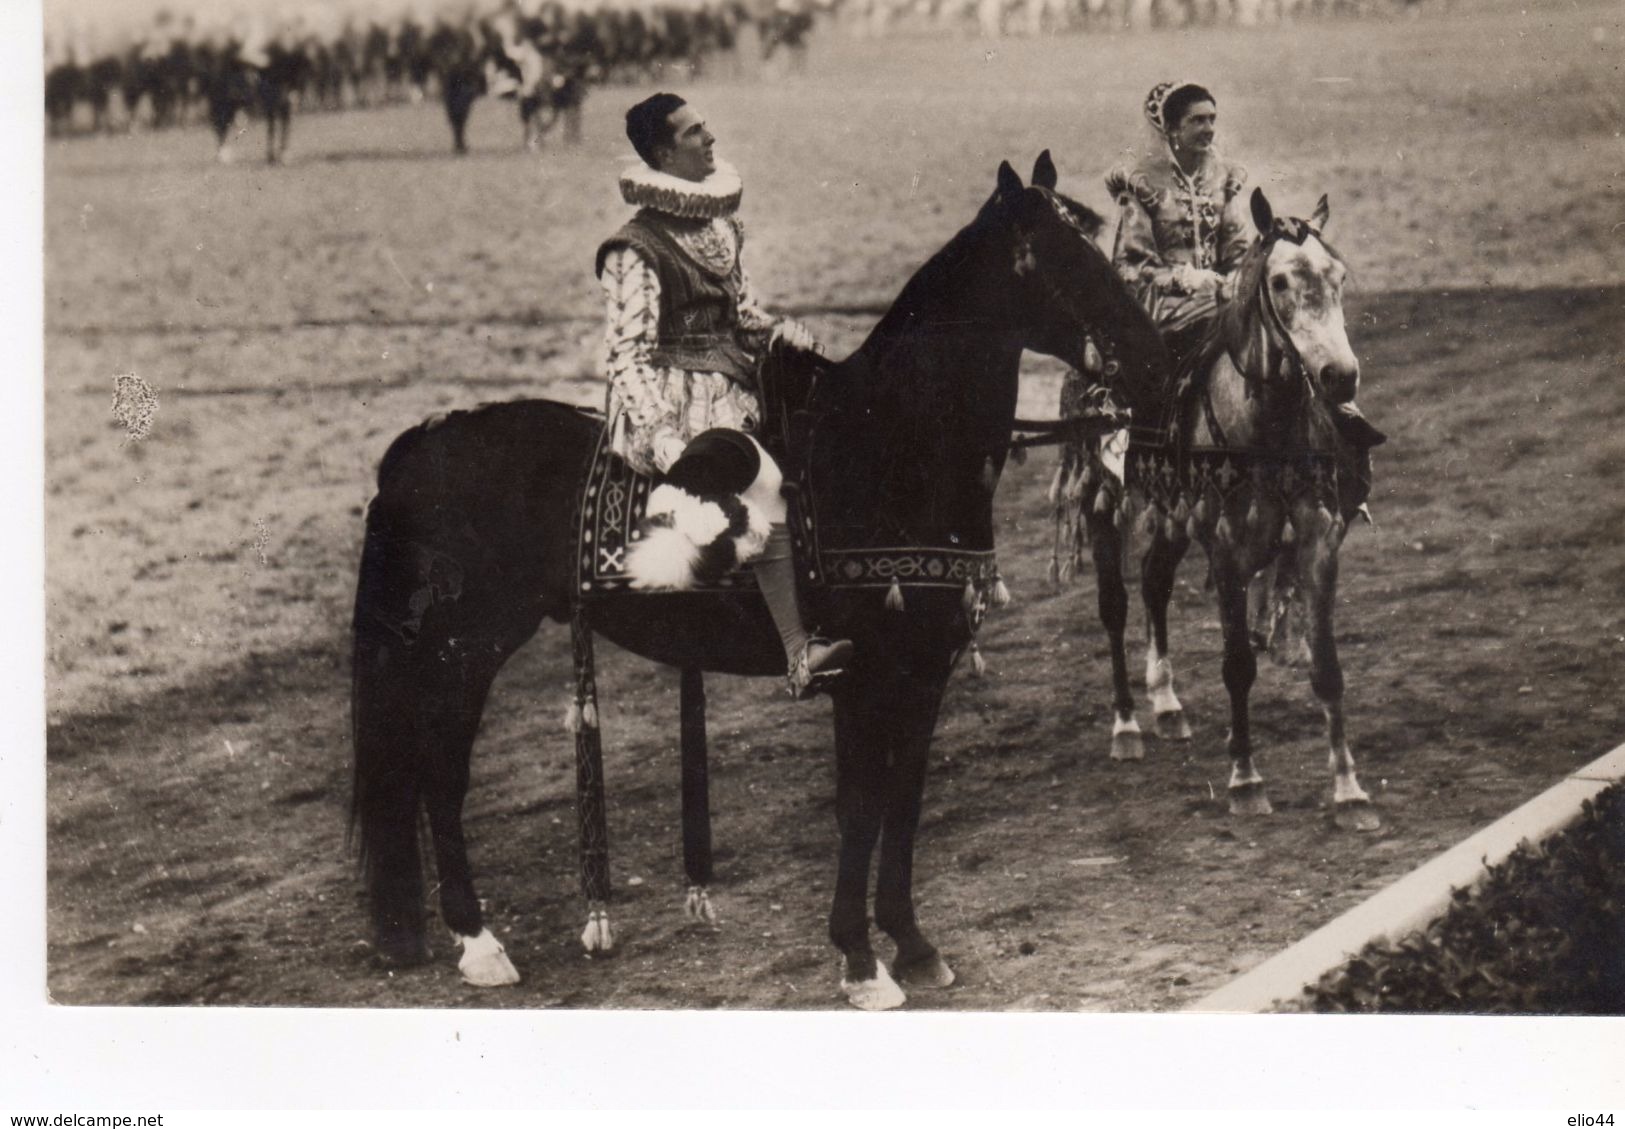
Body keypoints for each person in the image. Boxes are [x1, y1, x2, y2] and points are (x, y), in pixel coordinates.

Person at [595, 92, 853, 699]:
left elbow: (741, 317)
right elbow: (625, 356)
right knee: (760, 479)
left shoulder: (721, 228)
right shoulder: (635, 249)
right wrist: (662, 436)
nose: (710, 139)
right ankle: (797, 654)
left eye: (706, 128)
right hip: (669, 401)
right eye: (693, 134)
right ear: (663, 153)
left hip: (733, 387)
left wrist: (778, 330)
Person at [1106, 81, 1383, 447]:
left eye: (1212, 119)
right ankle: (1153, 446)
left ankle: (1337, 414)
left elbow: (1236, 249)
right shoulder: (1143, 184)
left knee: (1281, 333)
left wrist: (1235, 278)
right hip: (1163, 305)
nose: (1208, 129)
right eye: (1197, 121)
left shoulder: (1223, 178)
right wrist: (1187, 279)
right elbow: (1129, 266)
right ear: (1172, 129)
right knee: (1161, 367)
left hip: (1221, 295)